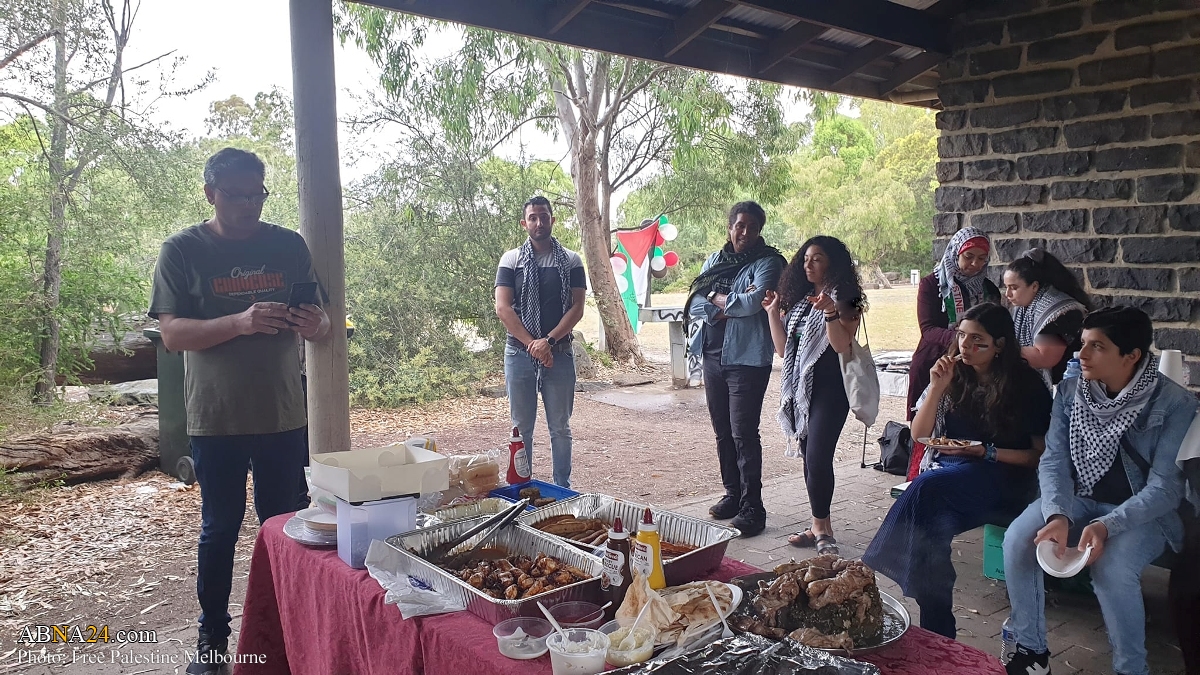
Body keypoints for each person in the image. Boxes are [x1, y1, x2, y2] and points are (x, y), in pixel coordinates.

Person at [149, 148, 331, 674]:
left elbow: (320, 327)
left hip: (282, 413)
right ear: (211, 193)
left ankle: (289, 632)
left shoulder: (287, 245)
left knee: (289, 527)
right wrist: (241, 321)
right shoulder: (183, 249)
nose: (250, 205)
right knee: (220, 528)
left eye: (258, 194)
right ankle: (211, 644)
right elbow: (172, 333)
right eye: (238, 195)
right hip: (217, 416)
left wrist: (309, 322)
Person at [1003, 306, 1197, 675]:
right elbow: (1054, 459)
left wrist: (1108, 525)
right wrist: (1059, 513)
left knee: (1111, 566)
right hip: (1077, 497)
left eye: (1097, 346)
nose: (1081, 354)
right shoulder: (1072, 389)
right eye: (1083, 343)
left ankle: (1131, 669)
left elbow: (1165, 490)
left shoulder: (1174, 403)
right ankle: (1032, 651)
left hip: (1144, 512)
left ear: (1132, 355)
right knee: (1018, 541)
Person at [863, 303, 1051, 639]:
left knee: (927, 487)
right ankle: (938, 630)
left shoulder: (1026, 386)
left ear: (1000, 345)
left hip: (1005, 477)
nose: (965, 345)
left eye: (977, 339)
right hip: (954, 473)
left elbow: (1038, 456)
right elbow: (921, 435)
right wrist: (937, 386)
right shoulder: (955, 375)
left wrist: (986, 451)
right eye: (961, 335)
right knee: (931, 535)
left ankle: (870, 569)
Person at [761, 236, 866, 556]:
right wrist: (772, 312)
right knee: (810, 461)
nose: (808, 264)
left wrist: (833, 313)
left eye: (817, 259)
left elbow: (839, 345)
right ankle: (819, 525)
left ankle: (821, 528)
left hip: (833, 392)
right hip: (802, 392)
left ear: (832, 263)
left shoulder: (849, 297)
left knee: (819, 458)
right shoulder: (801, 298)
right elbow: (783, 350)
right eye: (805, 258)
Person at [687, 201, 786, 537]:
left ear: (759, 230)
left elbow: (755, 302)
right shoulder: (715, 260)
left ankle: (753, 508)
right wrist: (725, 300)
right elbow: (695, 301)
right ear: (730, 226)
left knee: (744, 433)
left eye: (751, 227)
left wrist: (717, 298)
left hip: (748, 359)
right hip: (712, 356)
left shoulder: (769, 262)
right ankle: (733, 494)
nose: (744, 232)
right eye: (739, 225)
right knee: (722, 431)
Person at [494, 196, 586, 488]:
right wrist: (533, 344)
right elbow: (502, 308)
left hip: (559, 353)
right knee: (522, 429)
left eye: (544, 216)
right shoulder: (511, 259)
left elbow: (577, 307)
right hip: (519, 354)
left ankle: (562, 489)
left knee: (560, 427)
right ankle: (523, 490)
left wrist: (548, 341)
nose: (539, 222)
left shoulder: (571, 260)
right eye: (532, 217)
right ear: (524, 223)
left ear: (552, 220)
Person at [907, 227, 1000, 419]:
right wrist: (965, 337)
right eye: (969, 256)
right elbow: (928, 329)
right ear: (955, 252)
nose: (976, 264)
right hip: (934, 362)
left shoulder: (989, 289)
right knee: (925, 426)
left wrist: (972, 342)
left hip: (974, 368)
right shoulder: (932, 284)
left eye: (982, 258)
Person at [1003, 248, 1091, 389]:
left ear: (1034, 286)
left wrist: (999, 348)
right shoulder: (1023, 307)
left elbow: (1044, 358)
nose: (1007, 293)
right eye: (1006, 287)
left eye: (1013, 287)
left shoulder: (1058, 311)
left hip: (1068, 387)